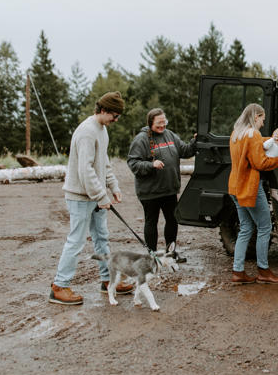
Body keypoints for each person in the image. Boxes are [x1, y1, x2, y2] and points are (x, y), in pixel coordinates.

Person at [49, 91, 134, 305]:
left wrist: (113, 186)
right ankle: (59, 286)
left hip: (94, 196)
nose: (116, 120)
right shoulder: (87, 131)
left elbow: (103, 163)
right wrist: (100, 195)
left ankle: (108, 281)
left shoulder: (102, 130)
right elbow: (84, 169)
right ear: (103, 110)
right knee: (76, 240)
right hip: (80, 196)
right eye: (114, 115)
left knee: (102, 237)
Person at [127, 108, 196, 263]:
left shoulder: (170, 135)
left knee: (172, 220)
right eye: (159, 123)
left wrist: (195, 142)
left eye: (164, 122)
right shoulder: (141, 139)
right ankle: (152, 257)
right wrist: (151, 164)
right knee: (151, 222)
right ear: (150, 123)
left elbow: (185, 151)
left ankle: (171, 253)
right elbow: (133, 163)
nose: (162, 126)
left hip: (169, 189)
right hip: (150, 192)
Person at [228, 103, 278, 284]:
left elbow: (257, 144)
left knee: (245, 228)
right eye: (262, 119)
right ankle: (263, 270)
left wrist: (274, 139)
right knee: (265, 227)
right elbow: (259, 163)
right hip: (250, 187)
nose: (262, 123)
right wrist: (276, 159)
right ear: (256, 116)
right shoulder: (254, 133)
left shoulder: (236, 133)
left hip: (235, 187)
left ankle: (238, 272)